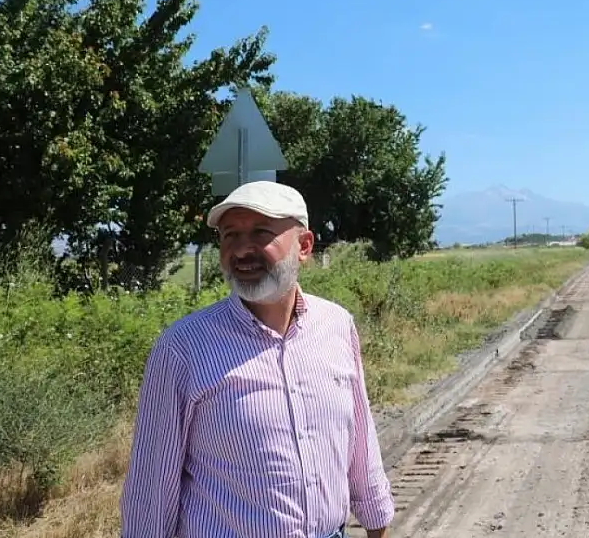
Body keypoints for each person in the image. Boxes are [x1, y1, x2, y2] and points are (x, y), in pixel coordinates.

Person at [120, 181, 394, 538]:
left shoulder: (336, 326)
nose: (242, 250)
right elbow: (151, 486)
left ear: (304, 246)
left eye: (261, 233)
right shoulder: (183, 348)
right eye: (230, 235)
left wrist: (376, 521)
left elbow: (360, 440)